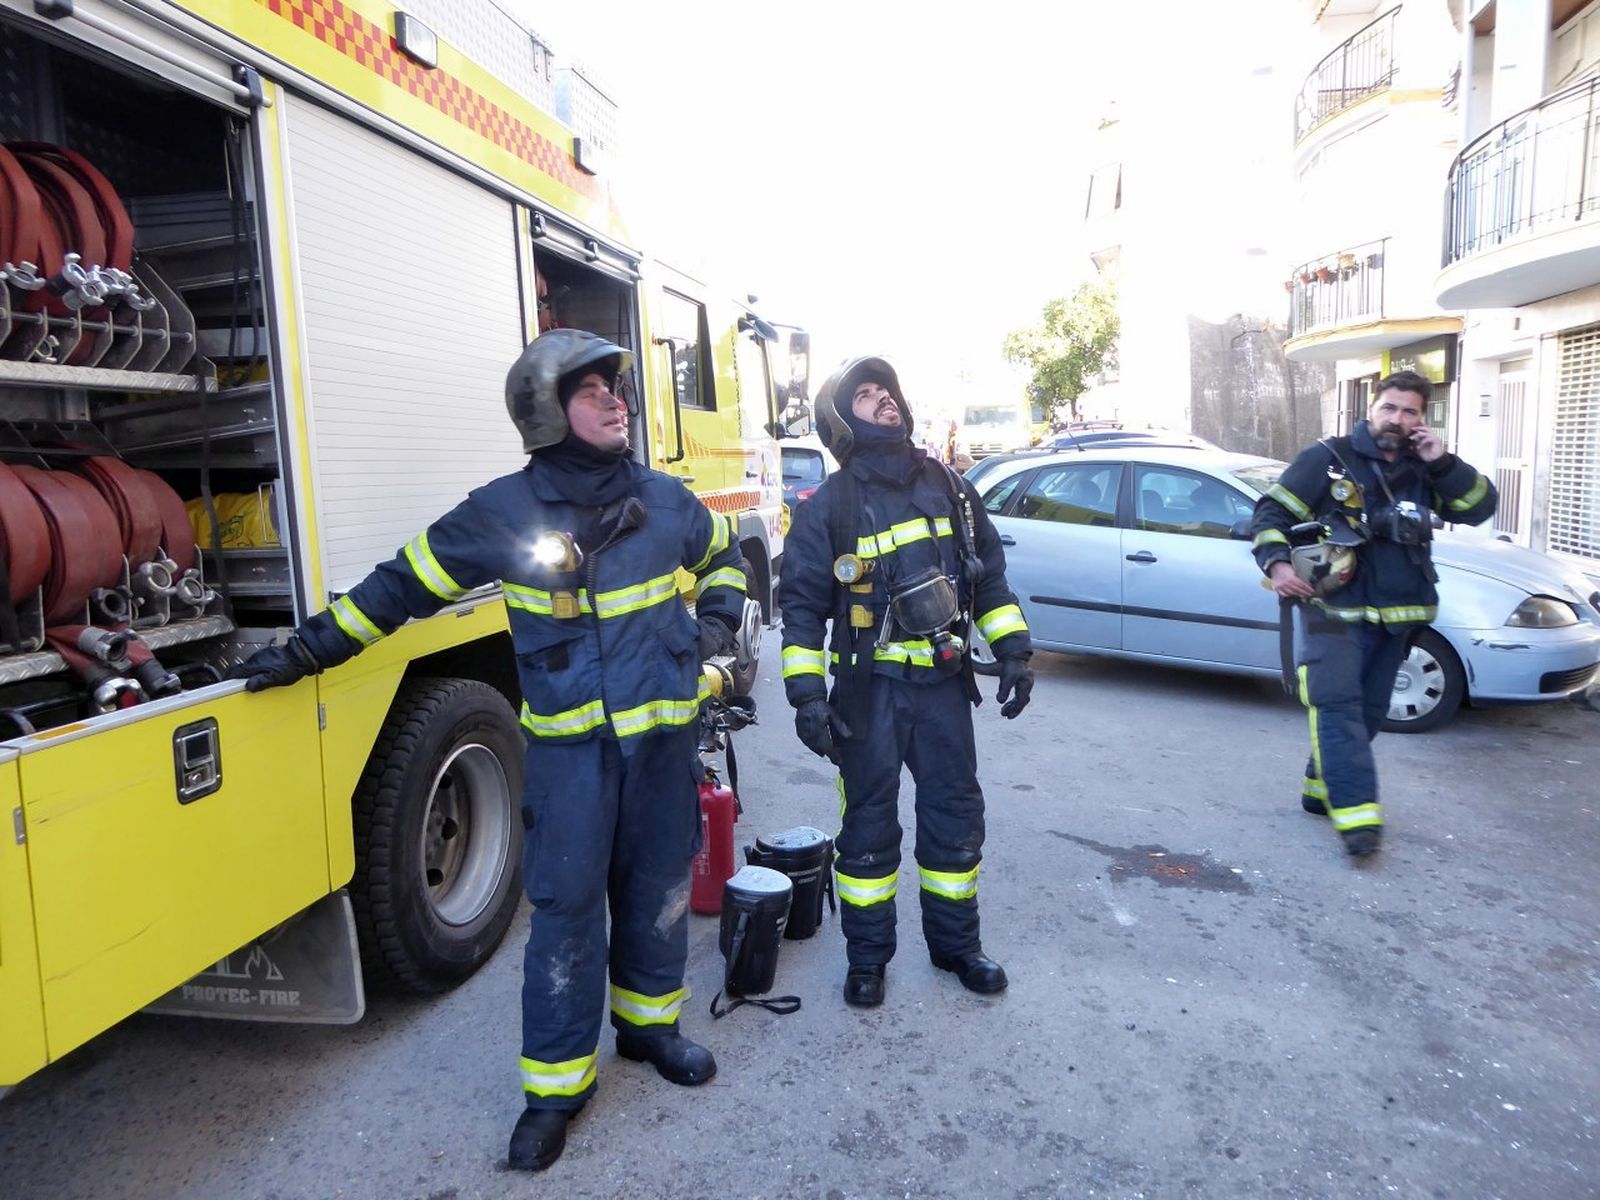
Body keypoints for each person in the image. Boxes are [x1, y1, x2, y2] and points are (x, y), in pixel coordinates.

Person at [230, 329, 745, 1171]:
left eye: (617, 385)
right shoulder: (503, 513)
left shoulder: (665, 500)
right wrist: (306, 650)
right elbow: (399, 588)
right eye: (592, 389)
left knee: (656, 890)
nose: (617, 399)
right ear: (547, 410)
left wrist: (717, 627)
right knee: (568, 914)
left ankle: (651, 1031)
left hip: (662, 748)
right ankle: (557, 1089)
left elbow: (726, 562)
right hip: (572, 763)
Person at [778, 356, 1034, 1008]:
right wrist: (807, 698)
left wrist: (1014, 650)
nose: (884, 400)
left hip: (945, 690)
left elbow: (990, 580)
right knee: (867, 829)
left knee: (954, 819)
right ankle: (868, 961)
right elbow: (802, 611)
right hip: (869, 696)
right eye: (865, 395)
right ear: (843, 421)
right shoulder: (828, 507)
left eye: (885, 390)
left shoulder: (950, 486)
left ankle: (956, 949)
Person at [1248, 370, 1495, 858]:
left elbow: (1478, 507)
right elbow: (1270, 514)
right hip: (1332, 610)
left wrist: (1442, 461)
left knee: (1369, 713)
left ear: (1421, 420)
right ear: (1371, 408)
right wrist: (1277, 565)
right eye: (1390, 408)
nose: (1397, 419)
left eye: (1410, 412)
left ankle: (1322, 790)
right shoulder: (1329, 459)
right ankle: (1359, 820)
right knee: (1337, 706)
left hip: (1398, 614)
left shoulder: (1427, 467)